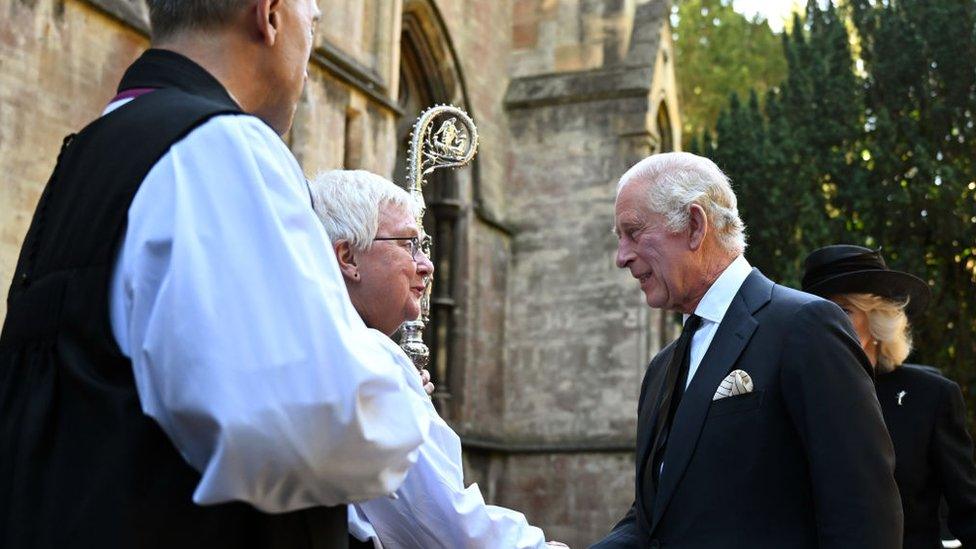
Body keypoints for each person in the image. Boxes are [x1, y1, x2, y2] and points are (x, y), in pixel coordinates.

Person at [0, 2, 432, 547]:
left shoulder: (96, 147)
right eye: (312, 25)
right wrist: (395, 384)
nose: (310, 52)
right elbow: (313, 428)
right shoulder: (221, 145)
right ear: (270, 16)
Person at [591, 152, 903, 548]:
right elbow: (654, 518)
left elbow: (863, 515)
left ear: (693, 225)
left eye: (633, 232)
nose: (622, 257)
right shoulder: (661, 368)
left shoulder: (804, 327)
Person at [309, 170, 567, 549]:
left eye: (424, 247)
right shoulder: (366, 354)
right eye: (408, 244)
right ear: (348, 257)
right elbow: (443, 525)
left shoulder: (311, 343)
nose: (426, 265)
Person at [802, 244, 976, 548]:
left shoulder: (930, 396)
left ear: (876, 318)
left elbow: (968, 510)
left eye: (842, 310)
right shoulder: (797, 396)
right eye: (816, 311)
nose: (826, 323)